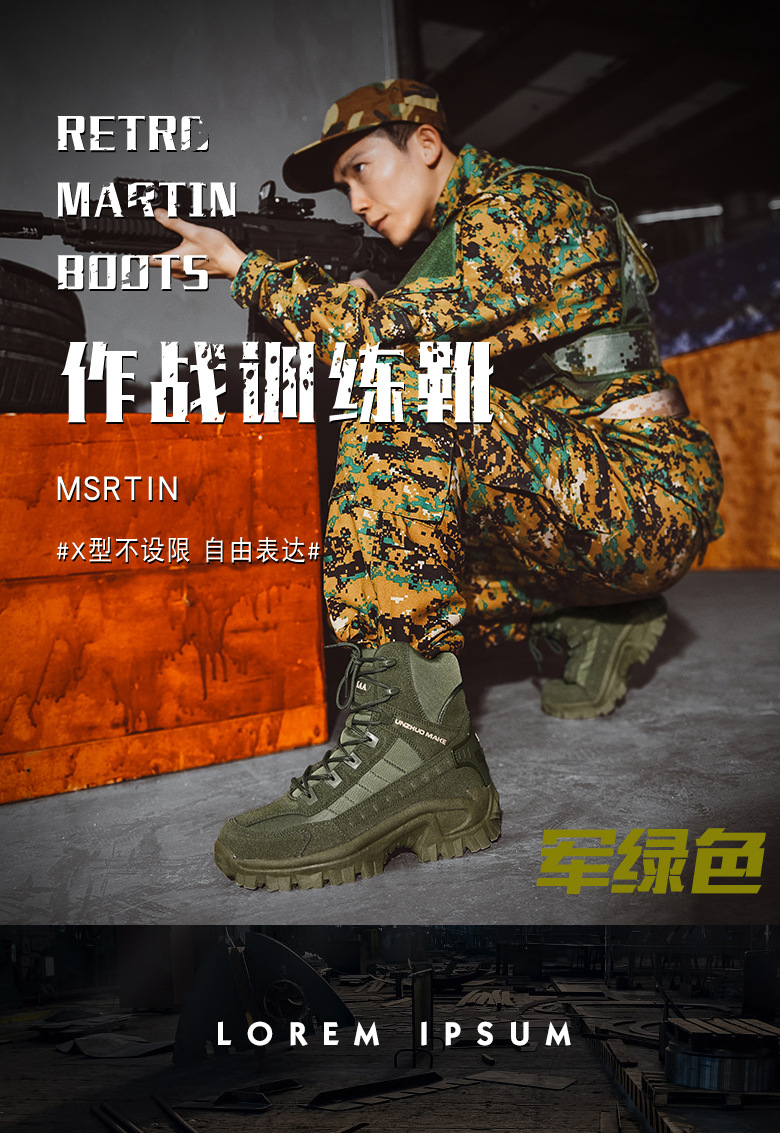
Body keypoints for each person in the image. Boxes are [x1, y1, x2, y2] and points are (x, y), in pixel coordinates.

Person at [150, 79, 723, 892]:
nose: (356, 202)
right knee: (384, 562)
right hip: (574, 500)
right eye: (343, 186)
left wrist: (243, 267)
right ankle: (593, 615)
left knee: (402, 394)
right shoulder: (443, 245)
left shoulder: (522, 209)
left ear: (425, 144)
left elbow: (383, 345)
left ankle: (415, 749)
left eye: (360, 168)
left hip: (645, 494)